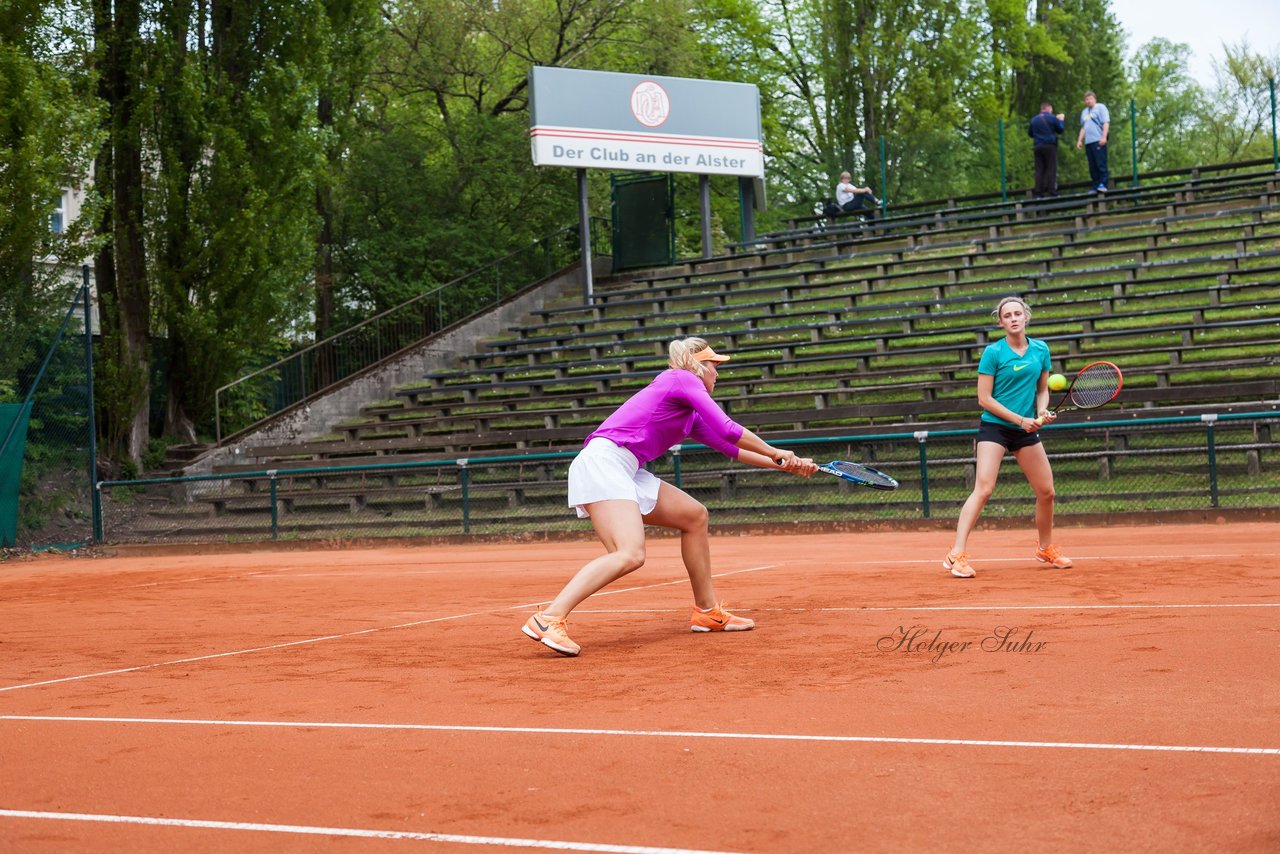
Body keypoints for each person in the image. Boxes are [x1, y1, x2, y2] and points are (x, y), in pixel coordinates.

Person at [523, 337, 818, 656]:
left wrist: (783, 465)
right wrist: (776, 452)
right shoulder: (680, 378)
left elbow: (730, 448)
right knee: (629, 554)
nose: (718, 374)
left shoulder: (689, 412)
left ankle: (707, 613)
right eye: (715, 366)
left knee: (694, 516)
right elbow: (729, 427)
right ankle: (548, 618)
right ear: (698, 366)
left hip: (627, 467)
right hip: (606, 460)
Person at [942, 296, 1073, 579]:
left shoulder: (1041, 349)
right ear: (1000, 322)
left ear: (1026, 317)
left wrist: (1041, 411)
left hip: (1026, 429)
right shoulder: (994, 353)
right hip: (995, 428)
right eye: (1007, 315)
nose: (1013, 318)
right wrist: (1019, 420)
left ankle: (1045, 548)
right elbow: (984, 399)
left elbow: (1042, 389)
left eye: (1017, 313)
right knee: (984, 488)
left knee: (1047, 492)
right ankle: (957, 554)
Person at [1028, 102, 1065, 198]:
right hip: (1049, 146)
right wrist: (1061, 120)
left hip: (1038, 146)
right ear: (1049, 108)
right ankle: (1052, 191)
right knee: (1051, 168)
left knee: (1039, 170)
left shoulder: (1034, 120)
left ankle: (1038, 193)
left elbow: (1030, 133)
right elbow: (1060, 129)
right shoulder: (1052, 118)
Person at [1075, 91, 1110, 192]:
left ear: (1095, 99)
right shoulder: (1084, 112)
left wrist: (1104, 137)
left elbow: (1106, 122)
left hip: (1098, 139)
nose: (1088, 101)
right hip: (1089, 142)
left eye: (1090, 98)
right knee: (1092, 165)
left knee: (1100, 163)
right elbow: (1083, 127)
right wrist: (1079, 140)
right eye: (1086, 99)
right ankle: (1095, 185)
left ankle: (1103, 183)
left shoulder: (1100, 107)